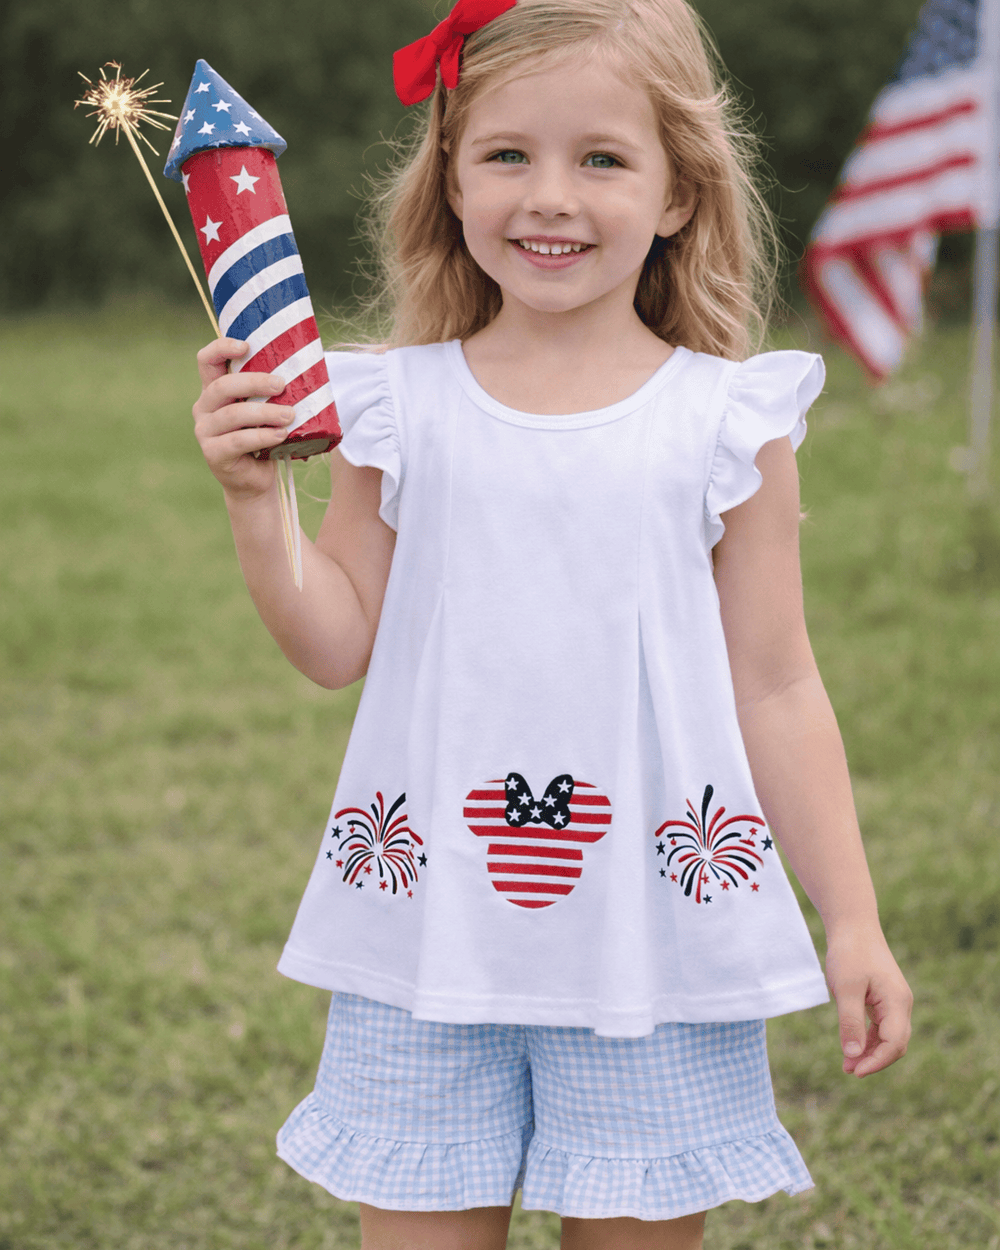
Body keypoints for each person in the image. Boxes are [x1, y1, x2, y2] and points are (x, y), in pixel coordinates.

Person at [191, 1, 913, 1245]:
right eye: (508, 154)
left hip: (653, 940)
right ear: (454, 179)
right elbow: (332, 643)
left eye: (602, 158)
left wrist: (849, 913)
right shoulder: (397, 408)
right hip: (430, 932)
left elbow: (777, 683)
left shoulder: (724, 423)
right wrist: (261, 505)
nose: (549, 197)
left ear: (679, 192)